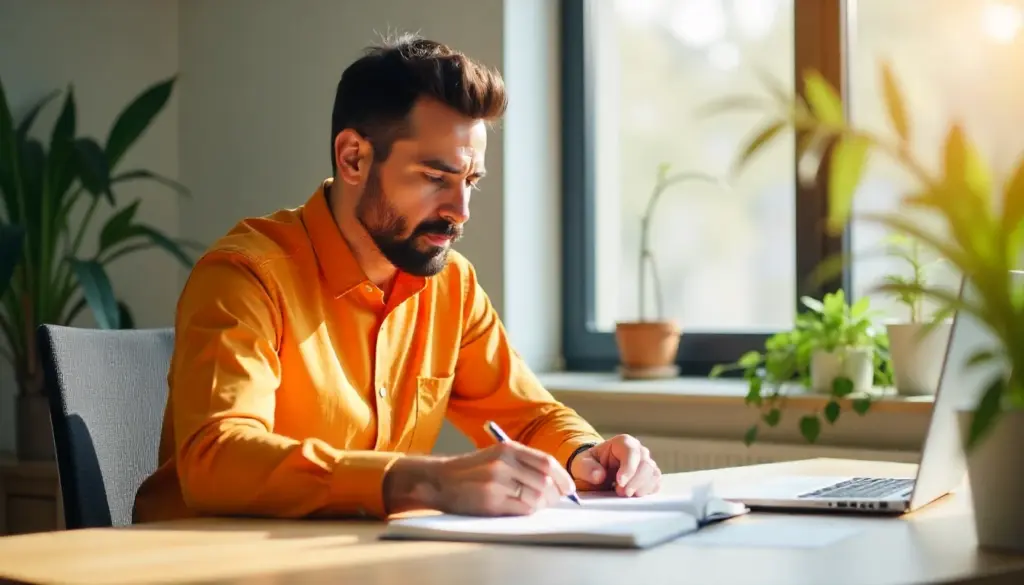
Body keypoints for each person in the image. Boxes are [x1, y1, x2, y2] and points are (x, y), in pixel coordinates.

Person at [132, 35, 661, 523]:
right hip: (207, 567)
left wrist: (586, 456)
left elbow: (524, 417)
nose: (461, 211)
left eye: (471, 180)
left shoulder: (451, 286)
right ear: (353, 157)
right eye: (435, 177)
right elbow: (218, 457)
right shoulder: (246, 276)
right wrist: (420, 480)